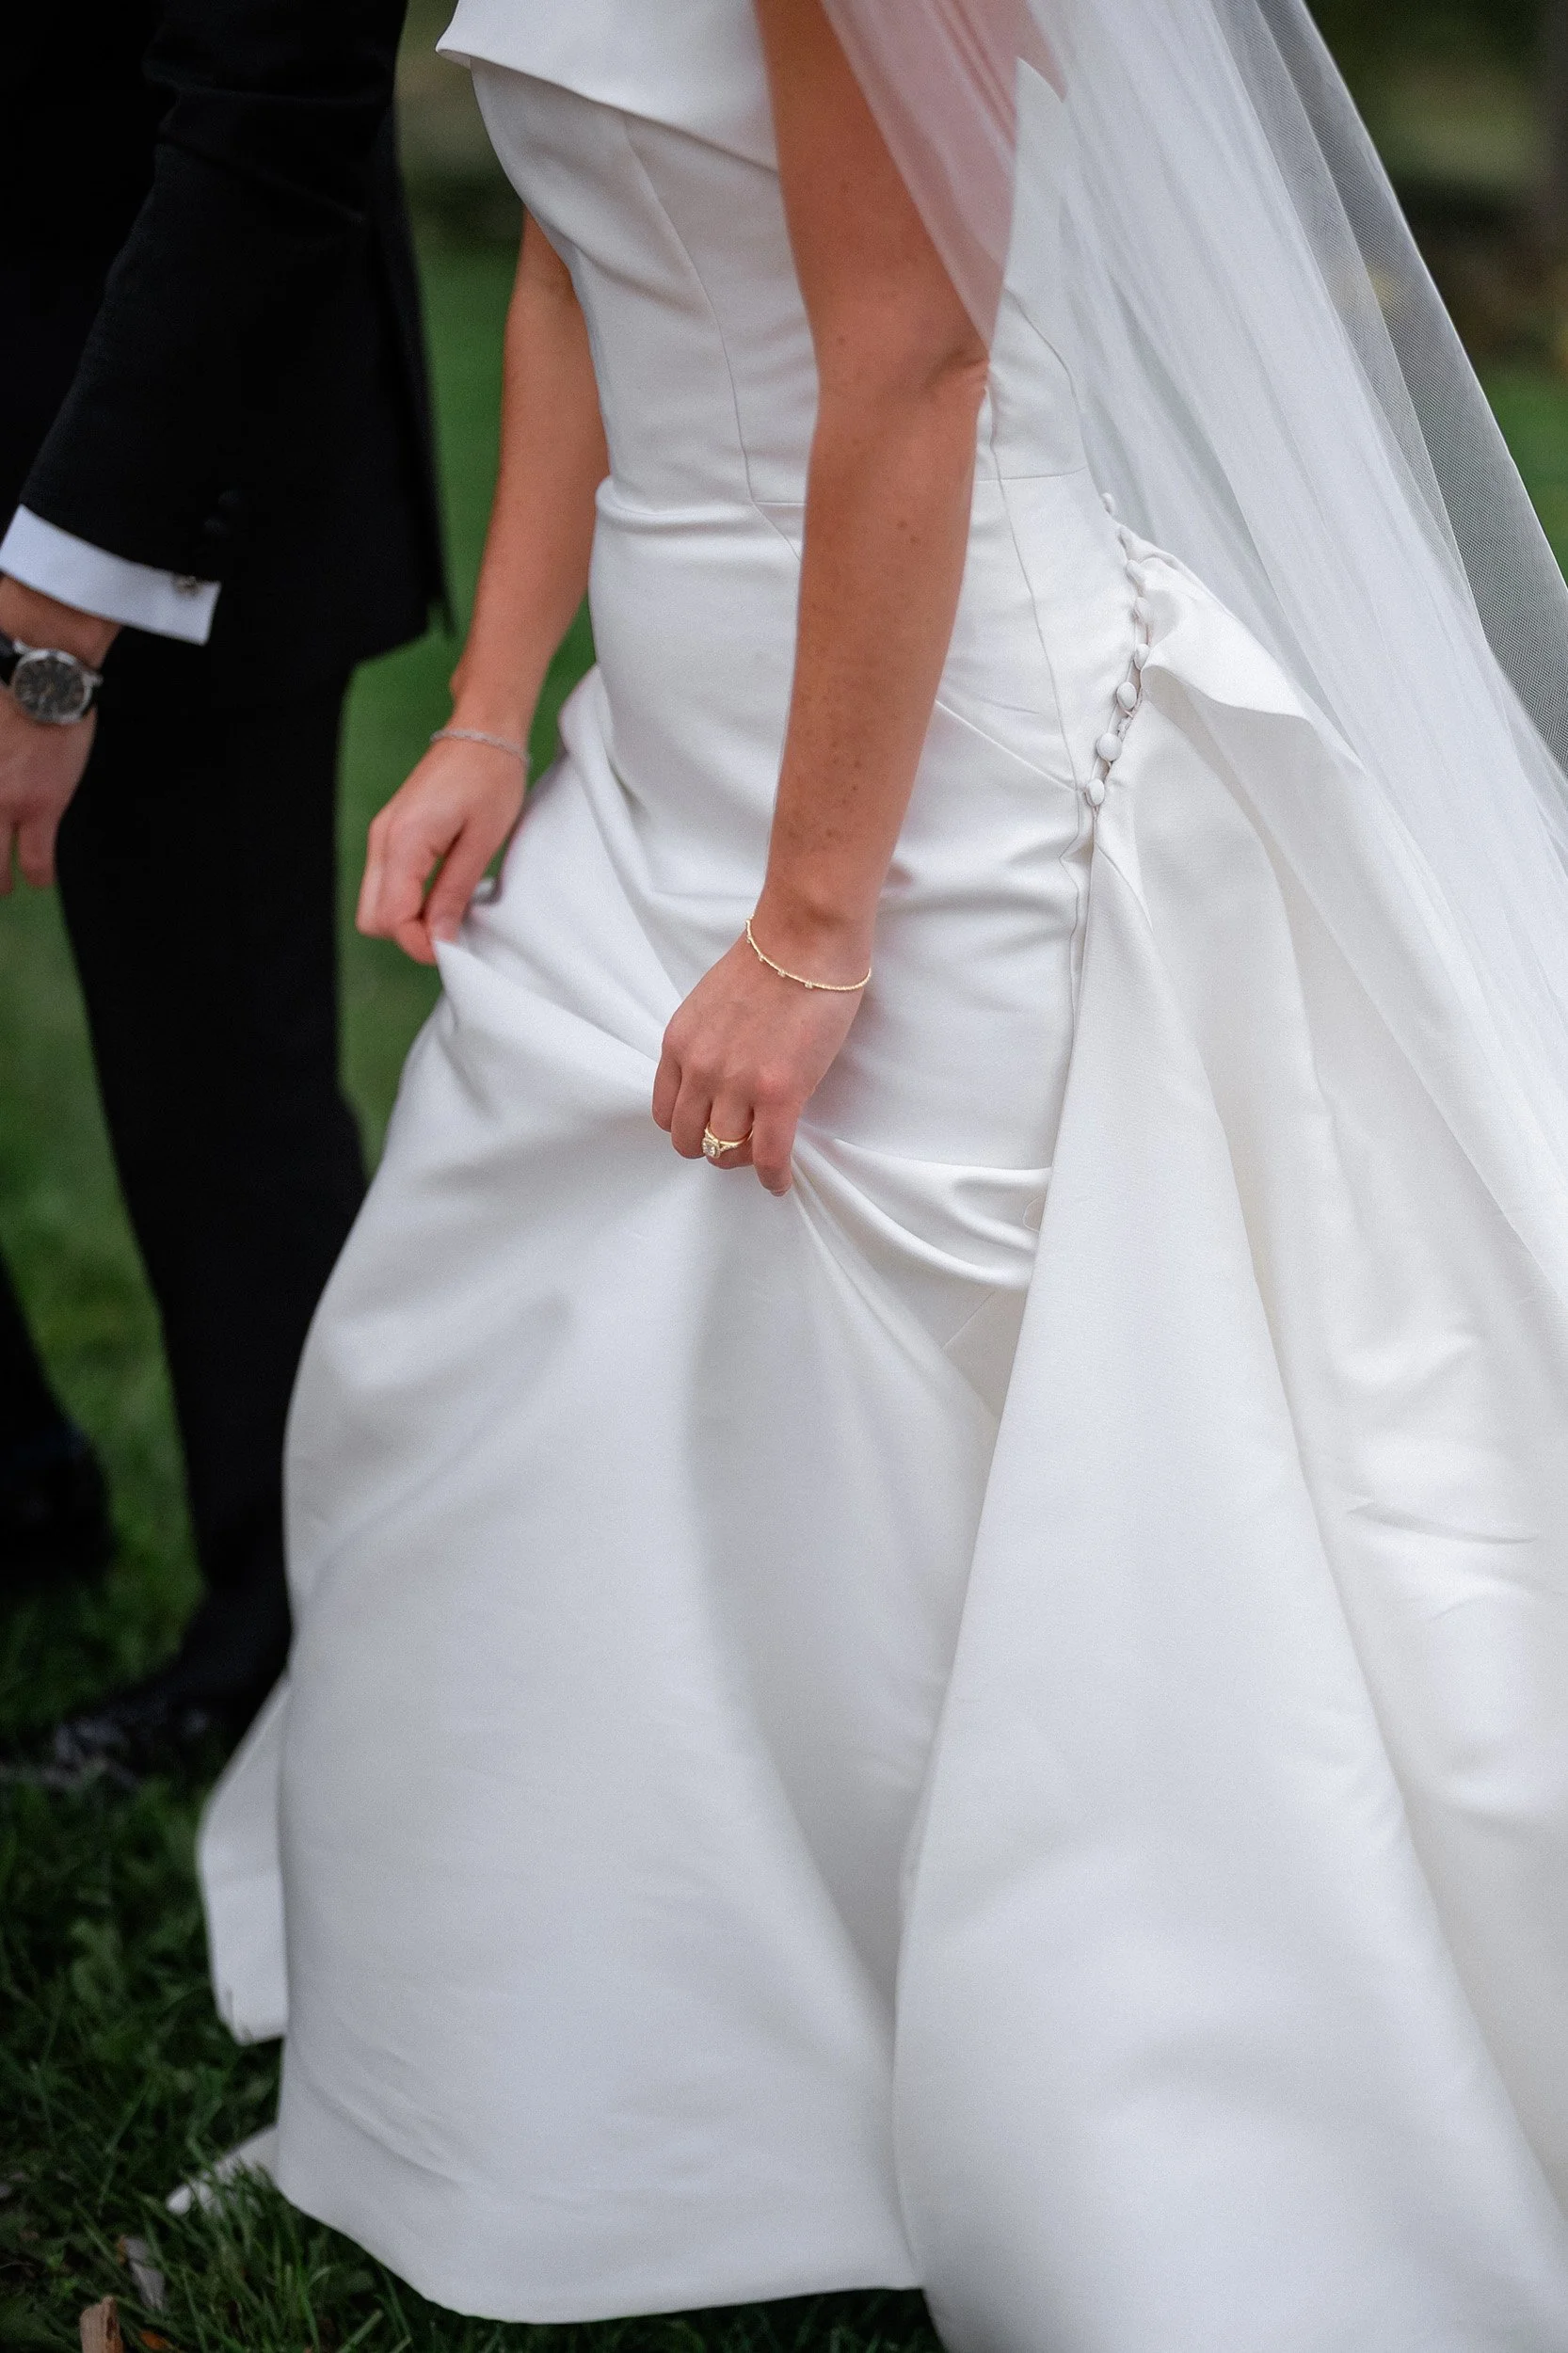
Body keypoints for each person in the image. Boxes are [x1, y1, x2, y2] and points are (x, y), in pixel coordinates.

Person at [197, 0, 1568, 2345]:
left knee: (977, 1434)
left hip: (928, 760)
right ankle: (636, 2054)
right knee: (493, 1348)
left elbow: (916, 361)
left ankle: (1093, 2043)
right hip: (677, 731)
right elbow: (562, 264)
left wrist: (815, 927)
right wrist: (488, 707)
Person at [0, 0, 443, 1769]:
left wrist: (52, 638)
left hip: (174, 457)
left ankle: (287, 1637)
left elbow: (276, 103)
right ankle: (20, 1473)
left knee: (216, 1082)